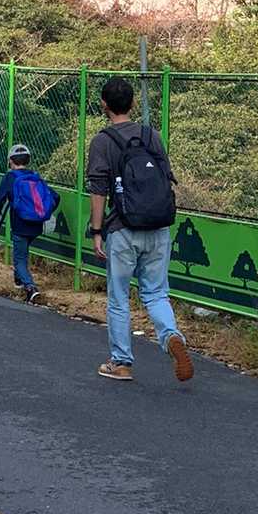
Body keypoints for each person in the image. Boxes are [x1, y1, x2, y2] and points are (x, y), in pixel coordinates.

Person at [87, 75, 193, 383]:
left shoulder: (103, 141)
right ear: (133, 103)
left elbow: (98, 189)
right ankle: (171, 336)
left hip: (123, 229)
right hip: (158, 227)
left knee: (119, 297)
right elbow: (166, 176)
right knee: (157, 292)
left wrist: (97, 231)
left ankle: (121, 362)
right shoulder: (151, 136)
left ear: (104, 105)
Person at [0, 143, 58, 305]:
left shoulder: (10, 177)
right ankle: (19, 281)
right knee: (22, 252)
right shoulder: (35, 176)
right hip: (36, 225)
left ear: (10, 161)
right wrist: (43, 213)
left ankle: (31, 288)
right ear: (28, 160)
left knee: (19, 259)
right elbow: (55, 197)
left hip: (20, 223)